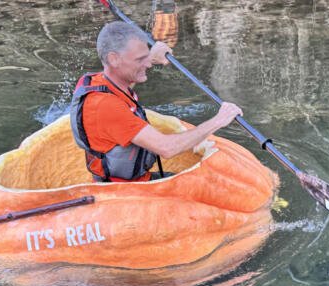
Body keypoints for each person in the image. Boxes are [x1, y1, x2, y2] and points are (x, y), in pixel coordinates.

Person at [70, 21, 242, 182]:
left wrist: (151, 57)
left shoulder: (99, 81)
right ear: (114, 59)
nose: (149, 65)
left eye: (146, 57)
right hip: (125, 190)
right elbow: (167, 148)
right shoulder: (105, 107)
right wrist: (219, 120)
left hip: (134, 180)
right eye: (140, 59)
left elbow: (124, 79)